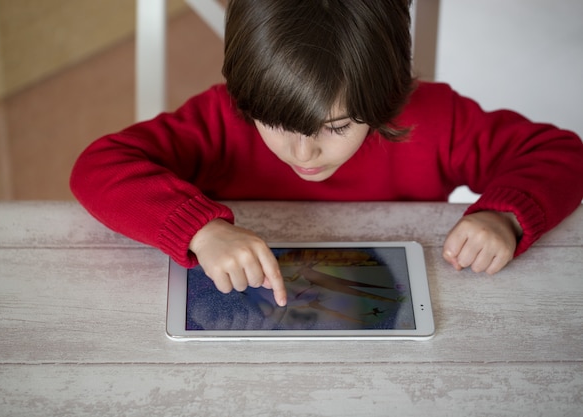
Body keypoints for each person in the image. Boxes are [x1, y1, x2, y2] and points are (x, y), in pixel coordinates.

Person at [70, 0, 583, 307]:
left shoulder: (435, 119)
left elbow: (562, 153)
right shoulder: (223, 118)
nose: (304, 150)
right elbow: (97, 168)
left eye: (336, 125)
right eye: (276, 123)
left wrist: (505, 215)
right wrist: (200, 229)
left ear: (385, 94)